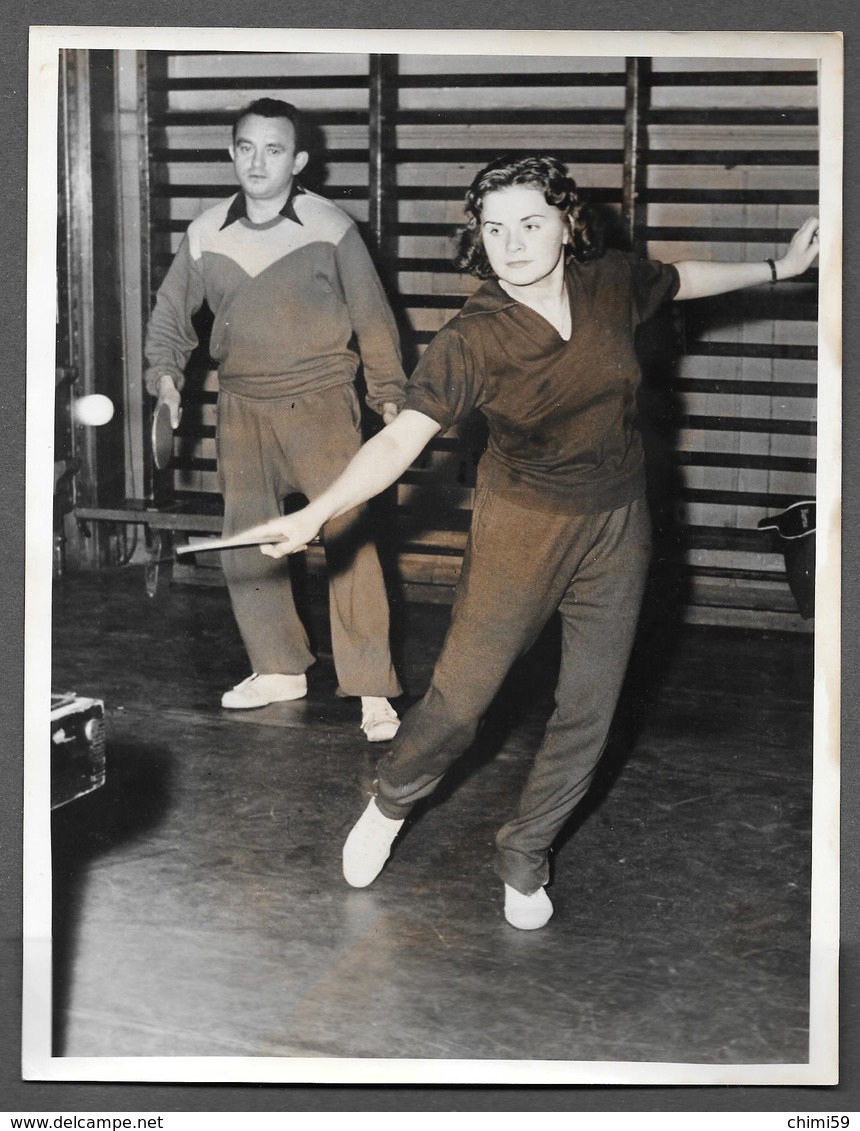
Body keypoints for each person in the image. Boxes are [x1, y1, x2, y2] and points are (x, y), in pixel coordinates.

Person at [243, 154, 821, 929]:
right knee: (461, 699)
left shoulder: (611, 282)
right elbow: (400, 441)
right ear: (478, 240)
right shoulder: (473, 339)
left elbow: (680, 277)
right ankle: (391, 801)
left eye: (530, 222)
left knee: (589, 707)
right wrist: (317, 515)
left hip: (619, 524)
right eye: (494, 228)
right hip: (522, 526)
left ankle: (527, 852)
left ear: (566, 223)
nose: (512, 243)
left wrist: (779, 265)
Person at [144, 98, 406, 742]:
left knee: (349, 540)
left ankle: (372, 686)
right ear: (232, 151)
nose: (258, 162)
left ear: (299, 159)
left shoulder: (331, 225)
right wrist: (165, 380)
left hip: (322, 404)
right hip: (239, 407)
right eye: (246, 147)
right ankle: (278, 668)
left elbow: (373, 318)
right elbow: (172, 318)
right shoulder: (205, 231)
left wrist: (390, 397)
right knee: (248, 542)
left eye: (274, 149)